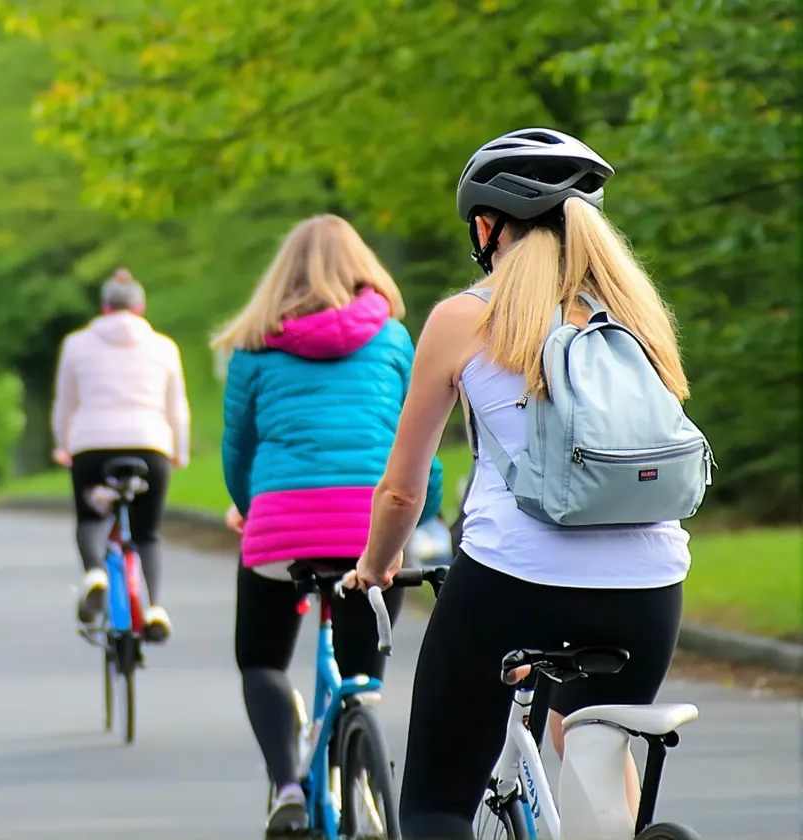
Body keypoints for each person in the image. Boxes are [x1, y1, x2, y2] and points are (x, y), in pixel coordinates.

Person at [348, 128, 693, 839]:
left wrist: (375, 568)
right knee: (596, 739)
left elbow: (403, 492)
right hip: (651, 586)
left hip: (514, 576)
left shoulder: (463, 318)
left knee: (436, 806)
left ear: (487, 226)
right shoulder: (637, 315)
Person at [214, 214, 444, 835]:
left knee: (261, 661)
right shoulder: (394, 340)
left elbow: (238, 448)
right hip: (373, 529)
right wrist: (434, 509)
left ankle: (288, 783)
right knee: (362, 673)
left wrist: (247, 504)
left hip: (282, 529)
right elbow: (418, 445)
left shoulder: (255, 346)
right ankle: (360, 746)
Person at [50, 268, 190, 642]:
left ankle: (95, 571)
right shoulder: (164, 347)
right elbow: (177, 408)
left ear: (105, 307)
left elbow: (65, 404)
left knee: (91, 516)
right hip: (151, 446)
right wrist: (180, 452)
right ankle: (156, 606)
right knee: (148, 532)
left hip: (92, 446)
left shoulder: (76, 344)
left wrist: (64, 444)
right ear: (140, 307)